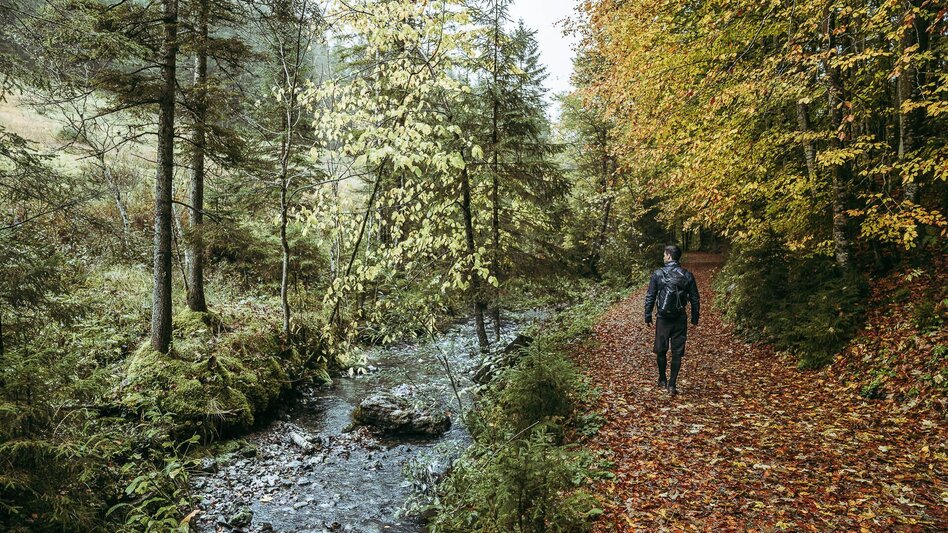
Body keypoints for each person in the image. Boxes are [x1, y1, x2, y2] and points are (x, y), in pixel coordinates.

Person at [643, 244, 700, 395]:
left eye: (664, 255)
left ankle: (662, 379)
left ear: (668, 256)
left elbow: (650, 296)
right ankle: (672, 385)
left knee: (661, 350)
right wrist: (695, 318)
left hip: (663, 318)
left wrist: (647, 315)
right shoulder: (687, 275)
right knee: (677, 352)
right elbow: (695, 298)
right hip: (680, 318)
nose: (663, 257)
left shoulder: (658, 274)